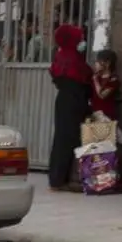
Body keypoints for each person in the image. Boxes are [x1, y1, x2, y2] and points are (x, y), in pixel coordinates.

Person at [48, 23, 91, 192]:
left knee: (62, 139)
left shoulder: (61, 56)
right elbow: (82, 77)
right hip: (74, 101)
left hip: (65, 101)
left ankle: (58, 178)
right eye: (79, 38)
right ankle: (59, 180)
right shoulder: (72, 58)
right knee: (68, 139)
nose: (82, 41)